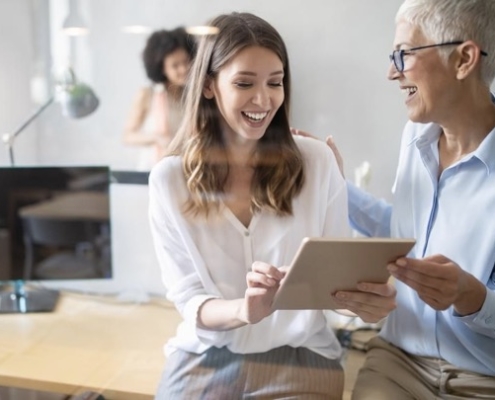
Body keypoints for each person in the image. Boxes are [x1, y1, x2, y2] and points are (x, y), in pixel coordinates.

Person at [148, 12, 397, 399]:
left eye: (275, 83)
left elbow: (338, 287)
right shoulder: (169, 180)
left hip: (300, 356)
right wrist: (244, 311)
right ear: (210, 86)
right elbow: (190, 300)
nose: (264, 100)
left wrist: (364, 304)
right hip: (207, 355)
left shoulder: (317, 162)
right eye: (244, 83)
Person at [297, 0, 495, 398]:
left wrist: (470, 297)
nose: (392, 72)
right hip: (399, 362)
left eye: (403, 54)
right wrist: (334, 185)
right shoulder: (415, 137)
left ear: (464, 59)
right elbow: (406, 232)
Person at [123, 27, 195, 170]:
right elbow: (128, 136)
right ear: (162, 68)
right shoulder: (147, 94)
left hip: (185, 168)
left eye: (186, 61)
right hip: (153, 168)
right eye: (175, 65)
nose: (184, 69)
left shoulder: (193, 96)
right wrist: (157, 138)